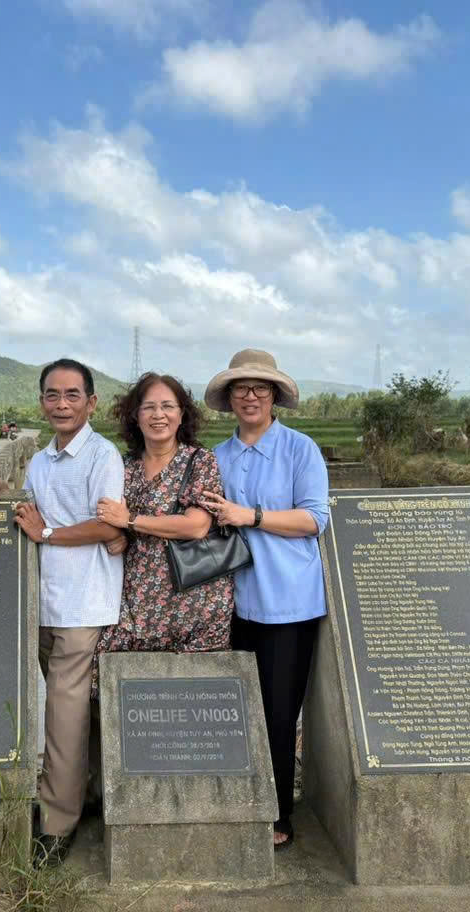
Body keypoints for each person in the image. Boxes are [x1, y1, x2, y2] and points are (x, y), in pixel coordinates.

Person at [0, 359, 124, 866]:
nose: (61, 404)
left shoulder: (103, 456)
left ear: (91, 402)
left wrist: (51, 534)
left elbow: (107, 528)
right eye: (52, 395)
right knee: (78, 712)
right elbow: (33, 511)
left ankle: (58, 824)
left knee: (62, 713)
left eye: (72, 395)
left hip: (84, 604)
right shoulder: (40, 460)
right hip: (44, 602)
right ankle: (95, 792)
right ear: (41, 401)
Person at [198, 349, 329, 852]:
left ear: (274, 396)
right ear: (229, 398)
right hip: (228, 602)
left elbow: (315, 519)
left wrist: (250, 515)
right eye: (241, 388)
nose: (250, 396)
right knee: (234, 710)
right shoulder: (216, 456)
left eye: (260, 388)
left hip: (287, 603)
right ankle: (238, 803)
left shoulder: (300, 449)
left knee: (278, 713)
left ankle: (278, 813)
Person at [91, 373, 233, 688]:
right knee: (111, 689)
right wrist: (117, 534)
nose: (159, 415)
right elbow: (102, 515)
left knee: (196, 703)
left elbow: (196, 526)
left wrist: (129, 521)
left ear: (182, 414)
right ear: (135, 415)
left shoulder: (199, 461)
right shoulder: (123, 466)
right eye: (149, 407)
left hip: (196, 604)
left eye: (168, 406)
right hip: (136, 602)